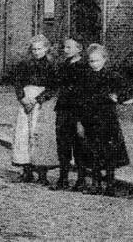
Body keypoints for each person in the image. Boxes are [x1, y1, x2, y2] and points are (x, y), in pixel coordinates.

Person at [79, 43, 130, 196]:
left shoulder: (112, 76)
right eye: (91, 61)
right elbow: (80, 99)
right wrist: (80, 120)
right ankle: (95, 183)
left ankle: (110, 184)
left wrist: (117, 97)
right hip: (91, 119)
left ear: (104, 59)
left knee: (110, 152)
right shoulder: (86, 77)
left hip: (107, 119)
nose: (93, 64)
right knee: (93, 152)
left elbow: (126, 90)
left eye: (96, 60)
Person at [10, 34, 58, 185]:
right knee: (23, 133)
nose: (36, 52)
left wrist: (38, 100)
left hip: (42, 103)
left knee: (40, 135)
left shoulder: (52, 66)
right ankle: (26, 170)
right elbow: (18, 82)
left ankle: (42, 173)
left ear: (46, 49)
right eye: (34, 49)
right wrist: (22, 98)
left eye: (40, 49)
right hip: (26, 101)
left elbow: (53, 87)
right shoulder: (24, 65)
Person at [50, 38, 90, 191]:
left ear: (79, 49)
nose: (65, 50)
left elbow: (85, 91)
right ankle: (63, 177)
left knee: (79, 144)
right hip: (63, 108)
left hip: (78, 110)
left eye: (68, 47)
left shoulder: (84, 67)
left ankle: (81, 179)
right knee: (62, 144)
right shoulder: (64, 65)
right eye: (64, 47)